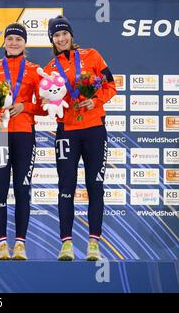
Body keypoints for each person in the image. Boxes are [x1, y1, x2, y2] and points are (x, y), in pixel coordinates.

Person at [43, 15, 116, 261]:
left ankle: (93, 243)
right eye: (56, 35)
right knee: (66, 187)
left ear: (71, 35)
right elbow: (47, 103)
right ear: (51, 39)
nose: (61, 38)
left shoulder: (92, 55)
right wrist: (47, 103)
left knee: (95, 186)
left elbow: (111, 85)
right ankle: (66, 244)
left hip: (94, 128)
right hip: (66, 131)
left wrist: (94, 100)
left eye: (64, 34)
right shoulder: (49, 69)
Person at [0, 23, 45, 260]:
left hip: (24, 134)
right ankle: (1, 245)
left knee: (22, 189)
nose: (14, 42)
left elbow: (46, 106)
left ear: (25, 43)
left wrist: (24, 106)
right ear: (4, 42)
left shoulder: (35, 70)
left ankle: (20, 244)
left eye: (19, 38)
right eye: (10, 38)